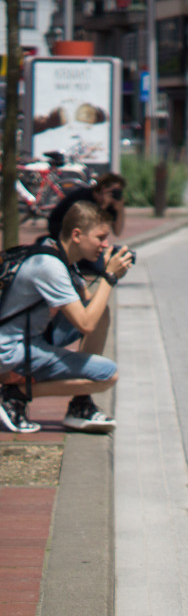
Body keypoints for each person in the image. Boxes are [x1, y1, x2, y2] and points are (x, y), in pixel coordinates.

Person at [0, 201, 134, 434]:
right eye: (100, 238)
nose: (105, 245)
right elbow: (85, 324)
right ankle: (13, 395)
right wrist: (109, 277)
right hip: (10, 350)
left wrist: (105, 272)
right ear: (77, 235)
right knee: (108, 375)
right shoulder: (50, 267)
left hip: (29, 336)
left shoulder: (55, 252)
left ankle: (80, 405)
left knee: (101, 312)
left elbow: (92, 308)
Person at [47, 173, 128, 276]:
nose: (105, 244)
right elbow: (89, 225)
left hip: (86, 242)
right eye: (114, 192)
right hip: (63, 235)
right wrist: (103, 206)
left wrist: (119, 210)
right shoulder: (82, 197)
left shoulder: (112, 205)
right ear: (103, 188)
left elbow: (117, 231)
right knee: (98, 269)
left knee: (100, 268)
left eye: (119, 192)